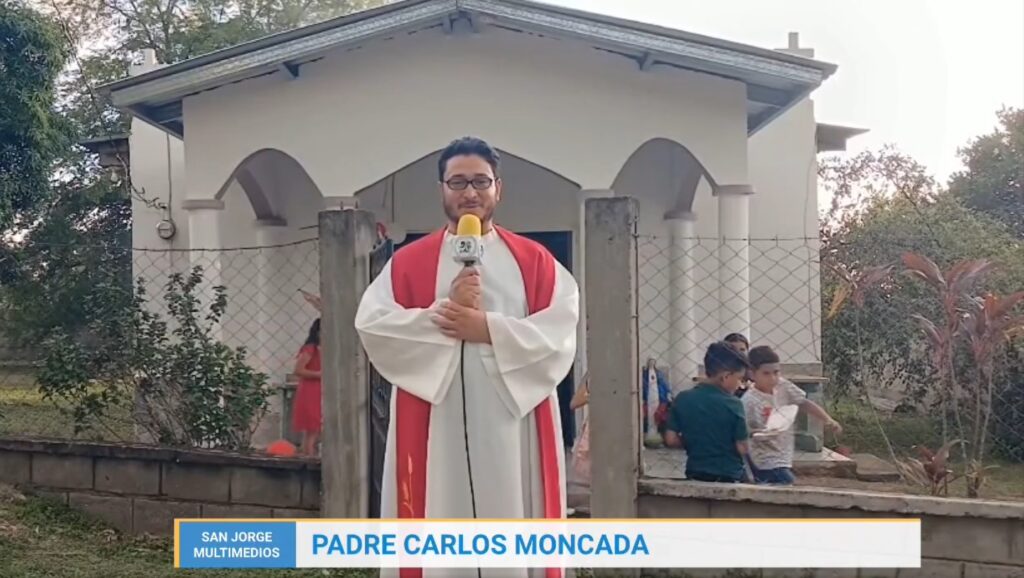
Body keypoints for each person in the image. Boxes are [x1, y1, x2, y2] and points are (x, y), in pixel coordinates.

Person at [355, 137, 579, 578]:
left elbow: (559, 332)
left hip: (508, 424)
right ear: (441, 189)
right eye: (458, 182)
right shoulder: (407, 263)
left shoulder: (535, 261)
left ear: (499, 188)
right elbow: (374, 326)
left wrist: (487, 329)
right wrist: (443, 313)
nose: (470, 192)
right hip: (433, 422)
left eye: (481, 181)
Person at [742, 345, 842, 485]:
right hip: (763, 459)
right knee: (787, 484)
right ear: (752, 374)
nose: (773, 378)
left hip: (783, 454)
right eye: (766, 374)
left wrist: (828, 420)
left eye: (776, 372)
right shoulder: (749, 401)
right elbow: (744, 432)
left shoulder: (783, 386)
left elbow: (804, 403)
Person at [663, 341, 751, 483]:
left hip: (695, 472)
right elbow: (742, 447)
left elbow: (671, 439)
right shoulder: (734, 404)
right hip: (729, 475)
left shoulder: (682, 399)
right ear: (726, 376)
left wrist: (694, 442)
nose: (740, 385)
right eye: (739, 379)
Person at [291, 319, 322, 456]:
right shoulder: (310, 349)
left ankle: (308, 455)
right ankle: (309, 456)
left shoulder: (322, 349)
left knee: (315, 429)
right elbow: (298, 370)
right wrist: (318, 374)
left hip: (319, 389)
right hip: (310, 390)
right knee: (312, 428)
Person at [723, 333, 751, 398]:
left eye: (742, 350)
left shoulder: (753, 374)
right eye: (734, 350)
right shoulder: (720, 373)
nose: (738, 353)